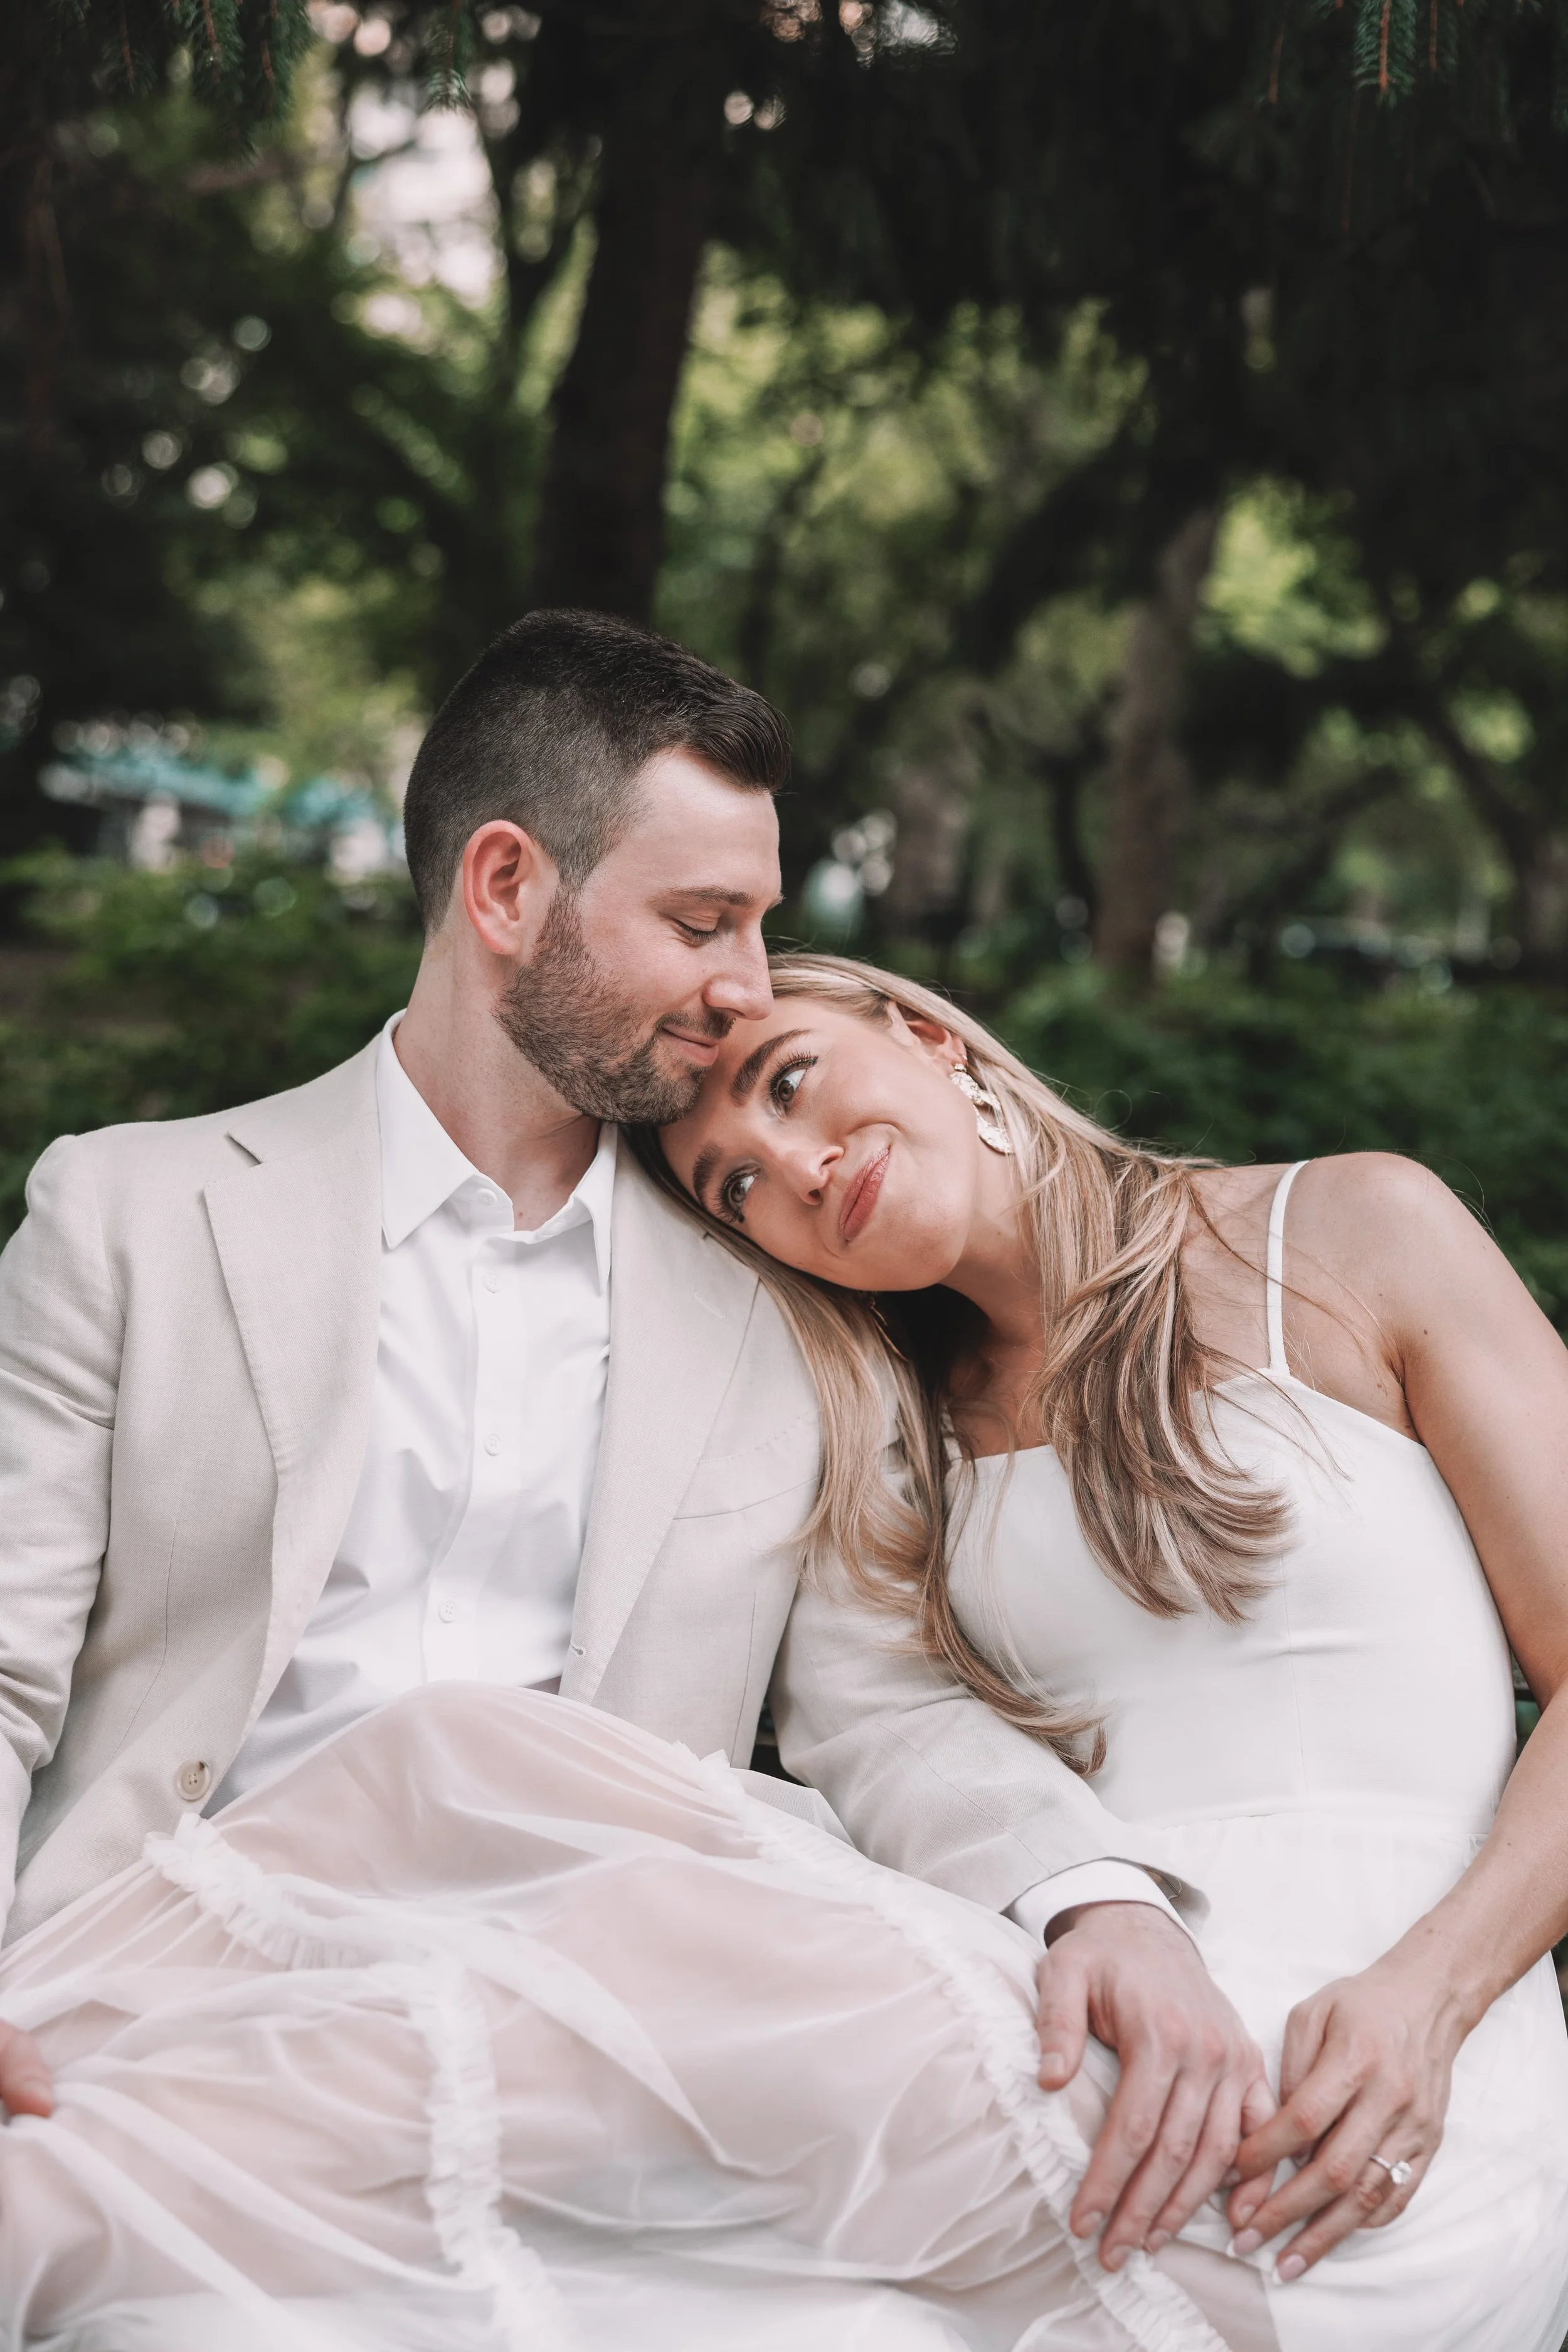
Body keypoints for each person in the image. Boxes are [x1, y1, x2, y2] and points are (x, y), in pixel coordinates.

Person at [0, 614, 1266, 2342]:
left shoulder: (774, 1294)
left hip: (603, 2033)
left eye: (756, 921)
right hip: (181, 1987)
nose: (749, 982)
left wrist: (1089, 1893)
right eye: (700, 920)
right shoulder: (134, 1212)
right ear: (505, 887)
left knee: (1117, 2225)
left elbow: (876, 1698)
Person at [647, 949, 1568, 2351]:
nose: (798, 1166)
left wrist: (1428, 1999)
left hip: (1396, 2058)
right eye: (736, 1187)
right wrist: (1093, 1918)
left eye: (788, 1083)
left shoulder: (1348, 1230)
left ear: (928, 1038)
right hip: (1080, 2016)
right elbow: (885, 1734)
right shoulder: (878, 1431)